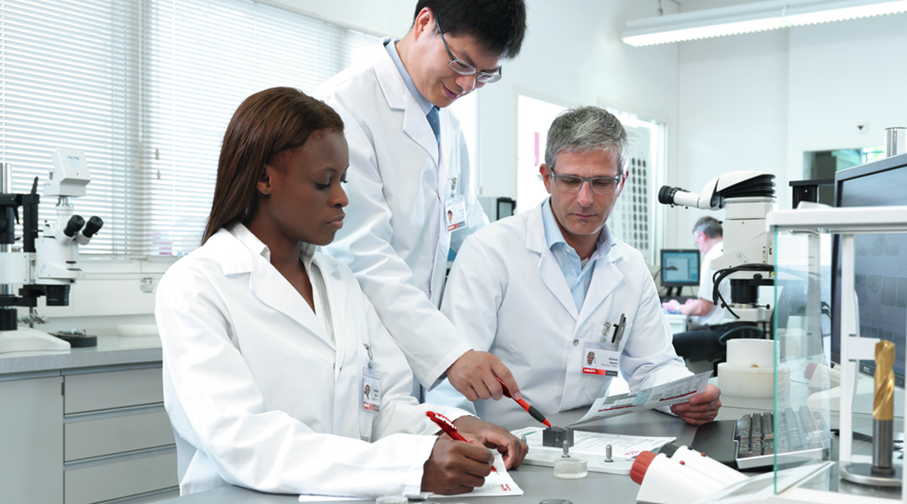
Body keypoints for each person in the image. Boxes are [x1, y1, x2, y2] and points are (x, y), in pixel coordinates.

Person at [156, 87, 525, 498]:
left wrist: (456, 427)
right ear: (264, 178)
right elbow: (244, 443)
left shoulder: (339, 282)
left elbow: (383, 410)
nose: (342, 198)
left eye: (343, 180)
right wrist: (412, 467)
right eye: (323, 182)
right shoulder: (196, 286)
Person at [427, 106, 721, 426]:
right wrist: (463, 431)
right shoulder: (489, 253)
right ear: (546, 177)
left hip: (589, 443)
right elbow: (452, 375)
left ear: (622, 182)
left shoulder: (631, 268)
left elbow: (652, 367)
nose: (584, 198)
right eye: (570, 180)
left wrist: (684, 396)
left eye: (601, 182)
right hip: (503, 443)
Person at [316, 0, 528, 403]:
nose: (468, 86)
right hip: (359, 348)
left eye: (486, 75)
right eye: (463, 64)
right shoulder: (345, 108)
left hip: (416, 350)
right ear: (425, 22)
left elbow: (470, 230)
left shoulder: (447, 125)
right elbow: (362, 254)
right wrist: (449, 354)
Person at [671, 217, 738, 363]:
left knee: (668, 344)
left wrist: (677, 307)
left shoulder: (713, 257)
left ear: (702, 235)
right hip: (740, 331)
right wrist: (693, 305)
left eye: (697, 243)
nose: (700, 249)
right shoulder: (733, 252)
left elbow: (704, 307)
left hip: (721, 334)